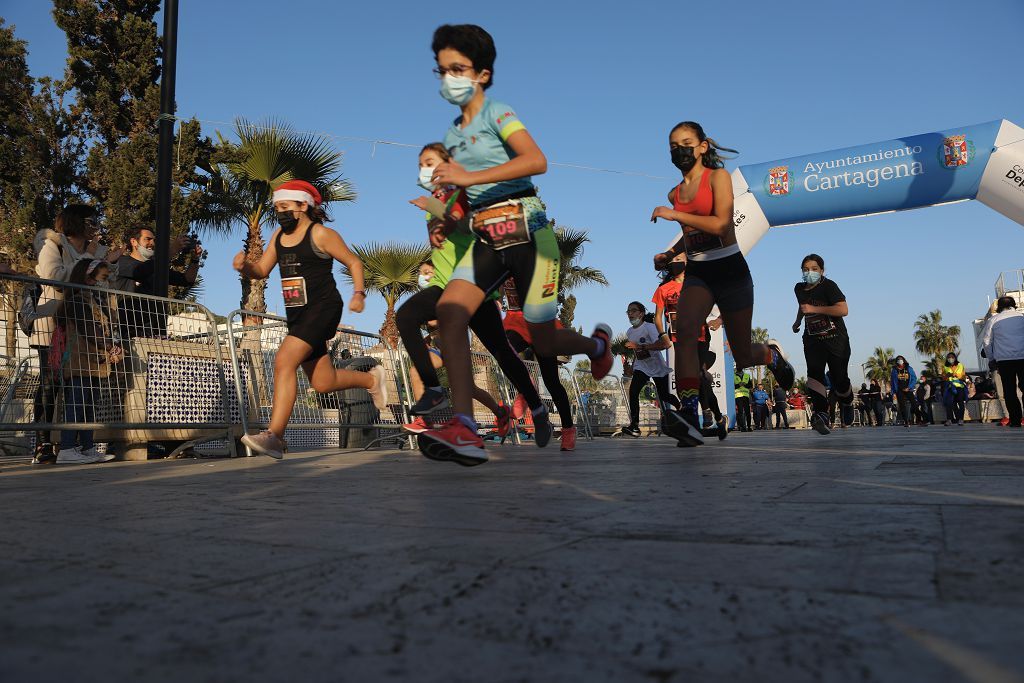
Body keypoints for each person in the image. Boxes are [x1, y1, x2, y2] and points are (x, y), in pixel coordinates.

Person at [416, 25, 612, 465]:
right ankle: (465, 428)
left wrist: (467, 177)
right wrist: (447, 217)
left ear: (482, 74)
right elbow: (465, 199)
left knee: (544, 343)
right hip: (486, 238)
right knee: (449, 310)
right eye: (442, 70)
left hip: (529, 234)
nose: (449, 78)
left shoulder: (498, 113)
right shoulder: (451, 137)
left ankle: (598, 347)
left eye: (458, 69)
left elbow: (536, 160)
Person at [650, 120, 794, 447]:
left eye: (686, 142)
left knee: (742, 356)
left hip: (730, 270)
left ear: (702, 147)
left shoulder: (719, 178)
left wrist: (676, 217)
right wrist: (670, 252)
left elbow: (720, 225)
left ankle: (770, 356)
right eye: (673, 145)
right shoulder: (675, 193)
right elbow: (691, 238)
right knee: (685, 334)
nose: (679, 150)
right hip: (700, 273)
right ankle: (688, 415)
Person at [397, 142, 549, 448]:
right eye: (420, 164)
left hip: (474, 285)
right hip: (444, 284)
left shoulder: (462, 192)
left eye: (429, 162)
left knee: (502, 352)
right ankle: (433, 389)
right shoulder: (436, 201)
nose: (423, 169)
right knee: (405, 315)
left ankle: (537, 408)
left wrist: (438, 209)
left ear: (448, 163)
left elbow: (472, 227)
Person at [233, 180, 388, 460]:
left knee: (283, 361)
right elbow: (261, 270)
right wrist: (246, 266)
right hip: (299, 314)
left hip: (324, 307)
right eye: (276, 207)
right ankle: (370, 380)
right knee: (323, 382)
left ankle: (275, 436)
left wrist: (359, 293)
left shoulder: (321, 234)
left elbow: (354, 262)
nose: (279, 212)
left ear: (303, 206)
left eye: (284, 206)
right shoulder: (278, 237)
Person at [30, 205, 122, 463]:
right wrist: (86, 261)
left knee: (84, 388)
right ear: (77, 222)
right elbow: (53, 277)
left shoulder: (97, 252)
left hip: (87, 328)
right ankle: (44, 444)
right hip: (55, 326)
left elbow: (105, 285)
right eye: (91, 221)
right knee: (51, 386)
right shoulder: (54, 245)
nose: (96, 226)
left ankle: (80, 445)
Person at [399, 263, 514, 443]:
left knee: (469, 388)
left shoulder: (451, 290)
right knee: (416, 372)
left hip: (456, 346)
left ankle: (500, 412)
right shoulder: (429, 296)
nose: (424, 276)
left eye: (427, 272)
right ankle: (425, 420)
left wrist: (428, 320)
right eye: (422, 274)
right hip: (439, 349)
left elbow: (438, 320)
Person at [55, 260, 121, 464]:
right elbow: (90, 330)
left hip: (93, 363)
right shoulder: (78, 300)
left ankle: (88, 446)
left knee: (89, 405)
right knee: (77, 405)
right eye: (103, 278)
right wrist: (110, 346)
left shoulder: (91, 300)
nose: (105, 283)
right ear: (87, 276)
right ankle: (67, 448)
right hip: (80, 361)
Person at [500, 278, 577, 450]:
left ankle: (568, 429)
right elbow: (496, 291)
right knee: (503, 351)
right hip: (515, 321)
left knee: (551, 381)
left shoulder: (536, 257)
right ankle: (526, 390)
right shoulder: (498, 259)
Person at [790, 254, 852, 435]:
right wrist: (797, 321)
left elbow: (843, 309)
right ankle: (821, 415)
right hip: (812, 339)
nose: (810, 272)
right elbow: (803, 306)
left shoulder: (829, 286)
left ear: (822, 271)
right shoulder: (799, 288)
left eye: (814, 269)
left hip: (836, 339)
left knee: (838, 378)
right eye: (806, 269)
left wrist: (815, 309)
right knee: (814, 376)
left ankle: (847, 402)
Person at [112, 227, 203, 338]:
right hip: (127, 332)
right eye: (148, 239)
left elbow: (187, 280)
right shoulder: (122, 262)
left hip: (154, 331)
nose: (152, 243)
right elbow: (141, 271)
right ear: (133, 242)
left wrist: (195, 260)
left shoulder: (156, 266)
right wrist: (171, 251)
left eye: (154, 240)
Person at [621, 302, 677, 437]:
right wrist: (632, 366)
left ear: (641, 313)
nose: (630, 314)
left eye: (633, 311)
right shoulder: (629, 331)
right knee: (633, 391)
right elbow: (636, 350)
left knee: (664, 395)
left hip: (656, 366)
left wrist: (641, 346)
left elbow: (664, 344)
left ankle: (680, 407)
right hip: (642, 367)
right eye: (628, 311)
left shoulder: (650, 327)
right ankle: (634, 426)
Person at [980, 295, 1024, 428]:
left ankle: (1015, 420)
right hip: (1023, 357)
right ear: (1014, 304)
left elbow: (987, 341)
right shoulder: (1021, 318)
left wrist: (992, 358)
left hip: (1004, 360)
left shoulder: (994, 319)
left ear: (999, 307)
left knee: (1009, 391)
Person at [941, 352, 968, 426]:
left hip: (959, 387)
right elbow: (943, 377)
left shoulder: (960, 365)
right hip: (950, 387)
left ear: (955, 358)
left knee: (960, 403)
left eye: (952, 357)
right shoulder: (945, 366)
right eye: (949, 357)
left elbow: (963, 376)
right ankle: (949, 420)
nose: (950, 359)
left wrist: (955, 375)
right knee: (949, 404)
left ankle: (961, 419)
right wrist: (947, 375)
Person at [890, 356, 917, 429]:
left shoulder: (909, 368)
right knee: (902, 406)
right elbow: (892, 381)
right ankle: (906, 421)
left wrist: (909, 387)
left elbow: (914, 378)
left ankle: (920, 419)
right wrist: (893, 392)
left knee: (914, 404)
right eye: (898, 360)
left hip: (908, 389)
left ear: (904, 360)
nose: (900, 361)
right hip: (899, 390)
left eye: (901, 359)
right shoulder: (894, 370)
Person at [734, 366, 753, 432]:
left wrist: (745, 385)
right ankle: (742, 427)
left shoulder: (747, 375)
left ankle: (749, 426)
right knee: (740, 412)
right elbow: (732, 386)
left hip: (746, 396)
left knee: (748, 412)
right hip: (738, 396)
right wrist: (739, 385)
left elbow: (750, 385)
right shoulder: (733, 375)